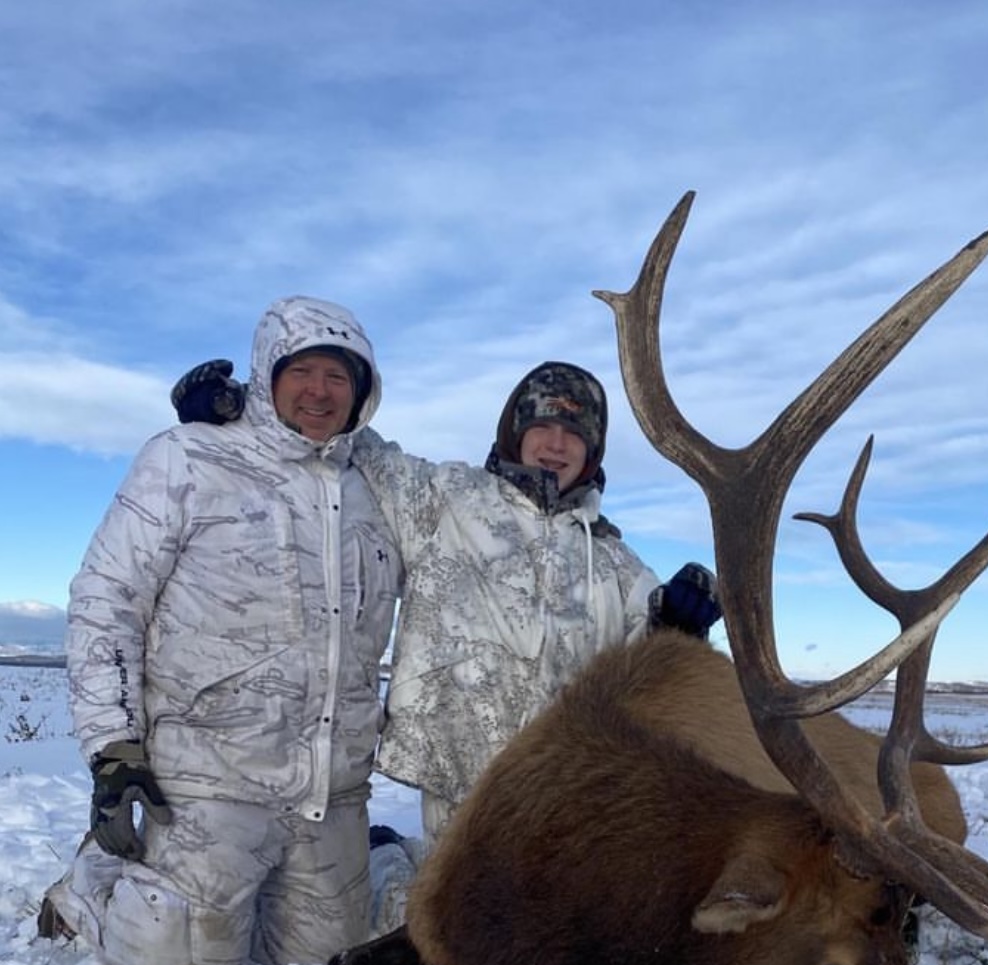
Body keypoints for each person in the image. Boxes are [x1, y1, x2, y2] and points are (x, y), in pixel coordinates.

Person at [172, 360, 722, 899]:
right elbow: (343, 433)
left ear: (593, 449)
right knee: (454, 919)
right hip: (459, 774)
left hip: (563, 794)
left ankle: (397, 857)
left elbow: (650, 674)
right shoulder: (448, 498)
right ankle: (390, 860)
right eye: (542, 426)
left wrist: (681, 622)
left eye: (574, 433)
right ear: (516, 431)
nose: (556, 445)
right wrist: (240, 409)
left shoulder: (617, 566)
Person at [39, 297, 403, 965]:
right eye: (302, 371)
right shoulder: (188, 457)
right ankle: (90, 885)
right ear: (267, 375)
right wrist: (113, 750)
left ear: (363, 392)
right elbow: (108, 599)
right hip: (207, 782)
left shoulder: (379, 487)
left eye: (338, 376)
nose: (319, 391)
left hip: (330, 793)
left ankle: (365, 851)